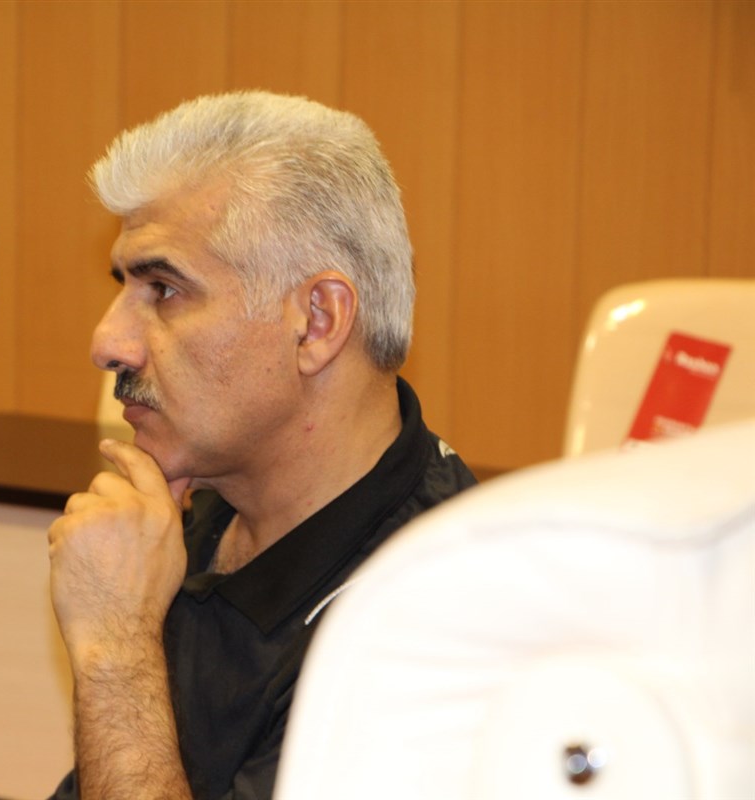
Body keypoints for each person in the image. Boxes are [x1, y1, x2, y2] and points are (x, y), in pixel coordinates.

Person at [46, 90, 478, 800]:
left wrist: (116, 651)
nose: (107, 343)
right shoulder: (188, 514)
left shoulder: (436, 627)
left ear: (317, 321)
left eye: (164, 289)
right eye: (124, 287)